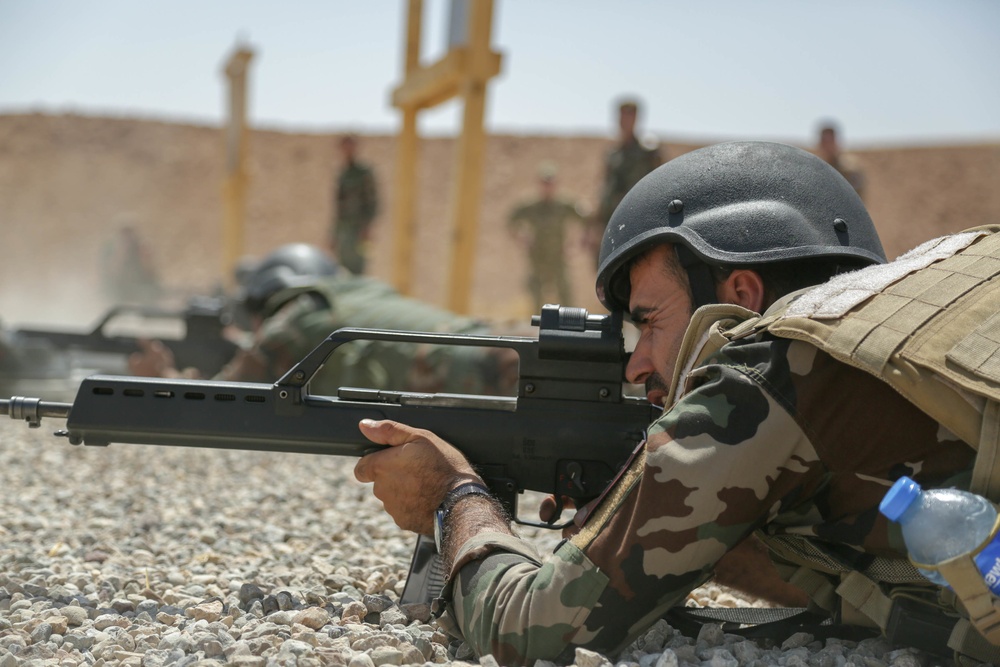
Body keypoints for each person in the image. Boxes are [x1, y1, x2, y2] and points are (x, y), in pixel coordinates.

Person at [353, 142, 991, 665]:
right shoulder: (909, 333)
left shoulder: (772, 367)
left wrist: (454, 496)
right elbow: (872, 573)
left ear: (740, 293)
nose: (637, 364)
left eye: (651, 321)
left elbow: (535, 633)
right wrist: (656, 517)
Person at [129, 243, 517, 397]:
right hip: (508, 345)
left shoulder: (297, 320)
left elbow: (221, 400)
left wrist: (162, 379)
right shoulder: (364, 288)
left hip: (485, 381)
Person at [507, 162, 586, 307]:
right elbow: (511, 220)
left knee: (565, 292)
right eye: (544, 182)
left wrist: (576, 243)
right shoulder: (530, 205)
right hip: (537, 257)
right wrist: (521, 238)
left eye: (550, 182)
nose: (547, 186)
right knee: (536, 294)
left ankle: (568, 325)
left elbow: (585, 219)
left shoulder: (564, 204)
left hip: (558, 256)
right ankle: (538, 324)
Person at [589, 98, 661, 258]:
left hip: (637, 220)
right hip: (612, 220)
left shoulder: (648, 151)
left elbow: (660, 184)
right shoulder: (613, 154)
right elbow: (605, 187)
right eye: (622, 116)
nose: (625, 121)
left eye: (630, 116)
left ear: (636, 119)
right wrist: (597, 222)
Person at [330, 134, 378, 275]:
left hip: (358, 228)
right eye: (345, 146)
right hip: (344, 228)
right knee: (342, 269)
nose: (347, 150)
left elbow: (372, 201)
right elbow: (338, 207)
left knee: (358, 269)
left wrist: (367, 226)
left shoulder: (363, 172)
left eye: (350, 146)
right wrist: (333, 234)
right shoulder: (343, 173)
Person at [99, 224, 162, 305]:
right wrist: (120, 253)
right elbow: (112, 274)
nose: (127, 239)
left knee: (148, 293)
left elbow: (151, 275)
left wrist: (145, 257)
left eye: (130, 234)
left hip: (139, 288)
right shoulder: (110, 249)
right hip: (118, 289)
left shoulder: (138, 248)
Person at [816, 120, 866, 200]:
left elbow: (857, 197)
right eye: (824, 142)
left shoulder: (849, 169)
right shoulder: (814, 168)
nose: (827, 147)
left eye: (830, 142)